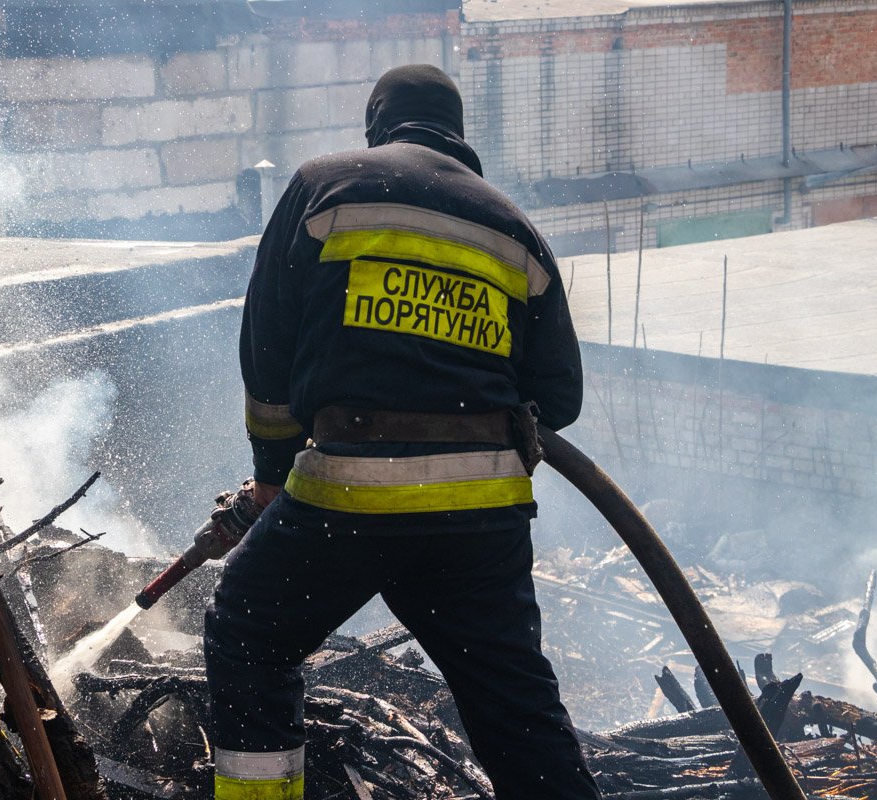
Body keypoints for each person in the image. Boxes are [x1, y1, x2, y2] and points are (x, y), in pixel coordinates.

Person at [204, 64, 601, 800]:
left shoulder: (326, 184)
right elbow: (561, 399)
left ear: (378, 124)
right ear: (459, 135)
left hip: (348, 496)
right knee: (515, 705)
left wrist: (270, 471)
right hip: (481, 518)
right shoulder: (515, 230)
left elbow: (267, 354)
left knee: (248, 632)